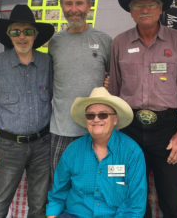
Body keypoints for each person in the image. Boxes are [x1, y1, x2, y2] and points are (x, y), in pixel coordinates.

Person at [109, 0, 177, 218]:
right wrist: (114, 135)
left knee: (171, 200)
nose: (144, 9)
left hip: (167, 129)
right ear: (131, 10)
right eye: (138, 5)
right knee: (134, 198)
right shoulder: (119, 43)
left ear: (160, 9)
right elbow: (113, 92)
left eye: (151, 4)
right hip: (129, 128)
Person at [0, 4, 55, 218]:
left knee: (39, 203)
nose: (22, 37)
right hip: (8, 147)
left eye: (28, 31)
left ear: (35, 35)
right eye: (15, 31)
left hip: (42, 145)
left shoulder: (47, 63)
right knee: (0, 201)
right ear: (8, 35)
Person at [46, 87, 147, 218]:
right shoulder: (73, 150)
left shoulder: (131, 152)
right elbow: (58, 194)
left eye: (103, 114)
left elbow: (135, 205)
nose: (96, 119)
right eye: (90, 115)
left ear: (115, 119)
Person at [48, 0, 112, 184]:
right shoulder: (55, 42)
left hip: (96, 129)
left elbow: (115, 79)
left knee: (96, 187)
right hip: (61, 131)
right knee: (60, 187)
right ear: (61, 7)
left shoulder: (104, 41)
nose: (73, 9)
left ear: (89, 6)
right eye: (68, 4)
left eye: (79, 3)